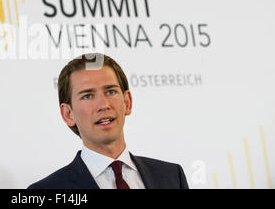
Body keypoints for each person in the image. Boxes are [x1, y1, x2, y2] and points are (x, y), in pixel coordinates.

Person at [28, 53, 189, 189]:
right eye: (87, 96)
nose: (103, 105)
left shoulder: (172, 177)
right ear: (68, 114)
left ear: (128, 102)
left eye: (111, 91)